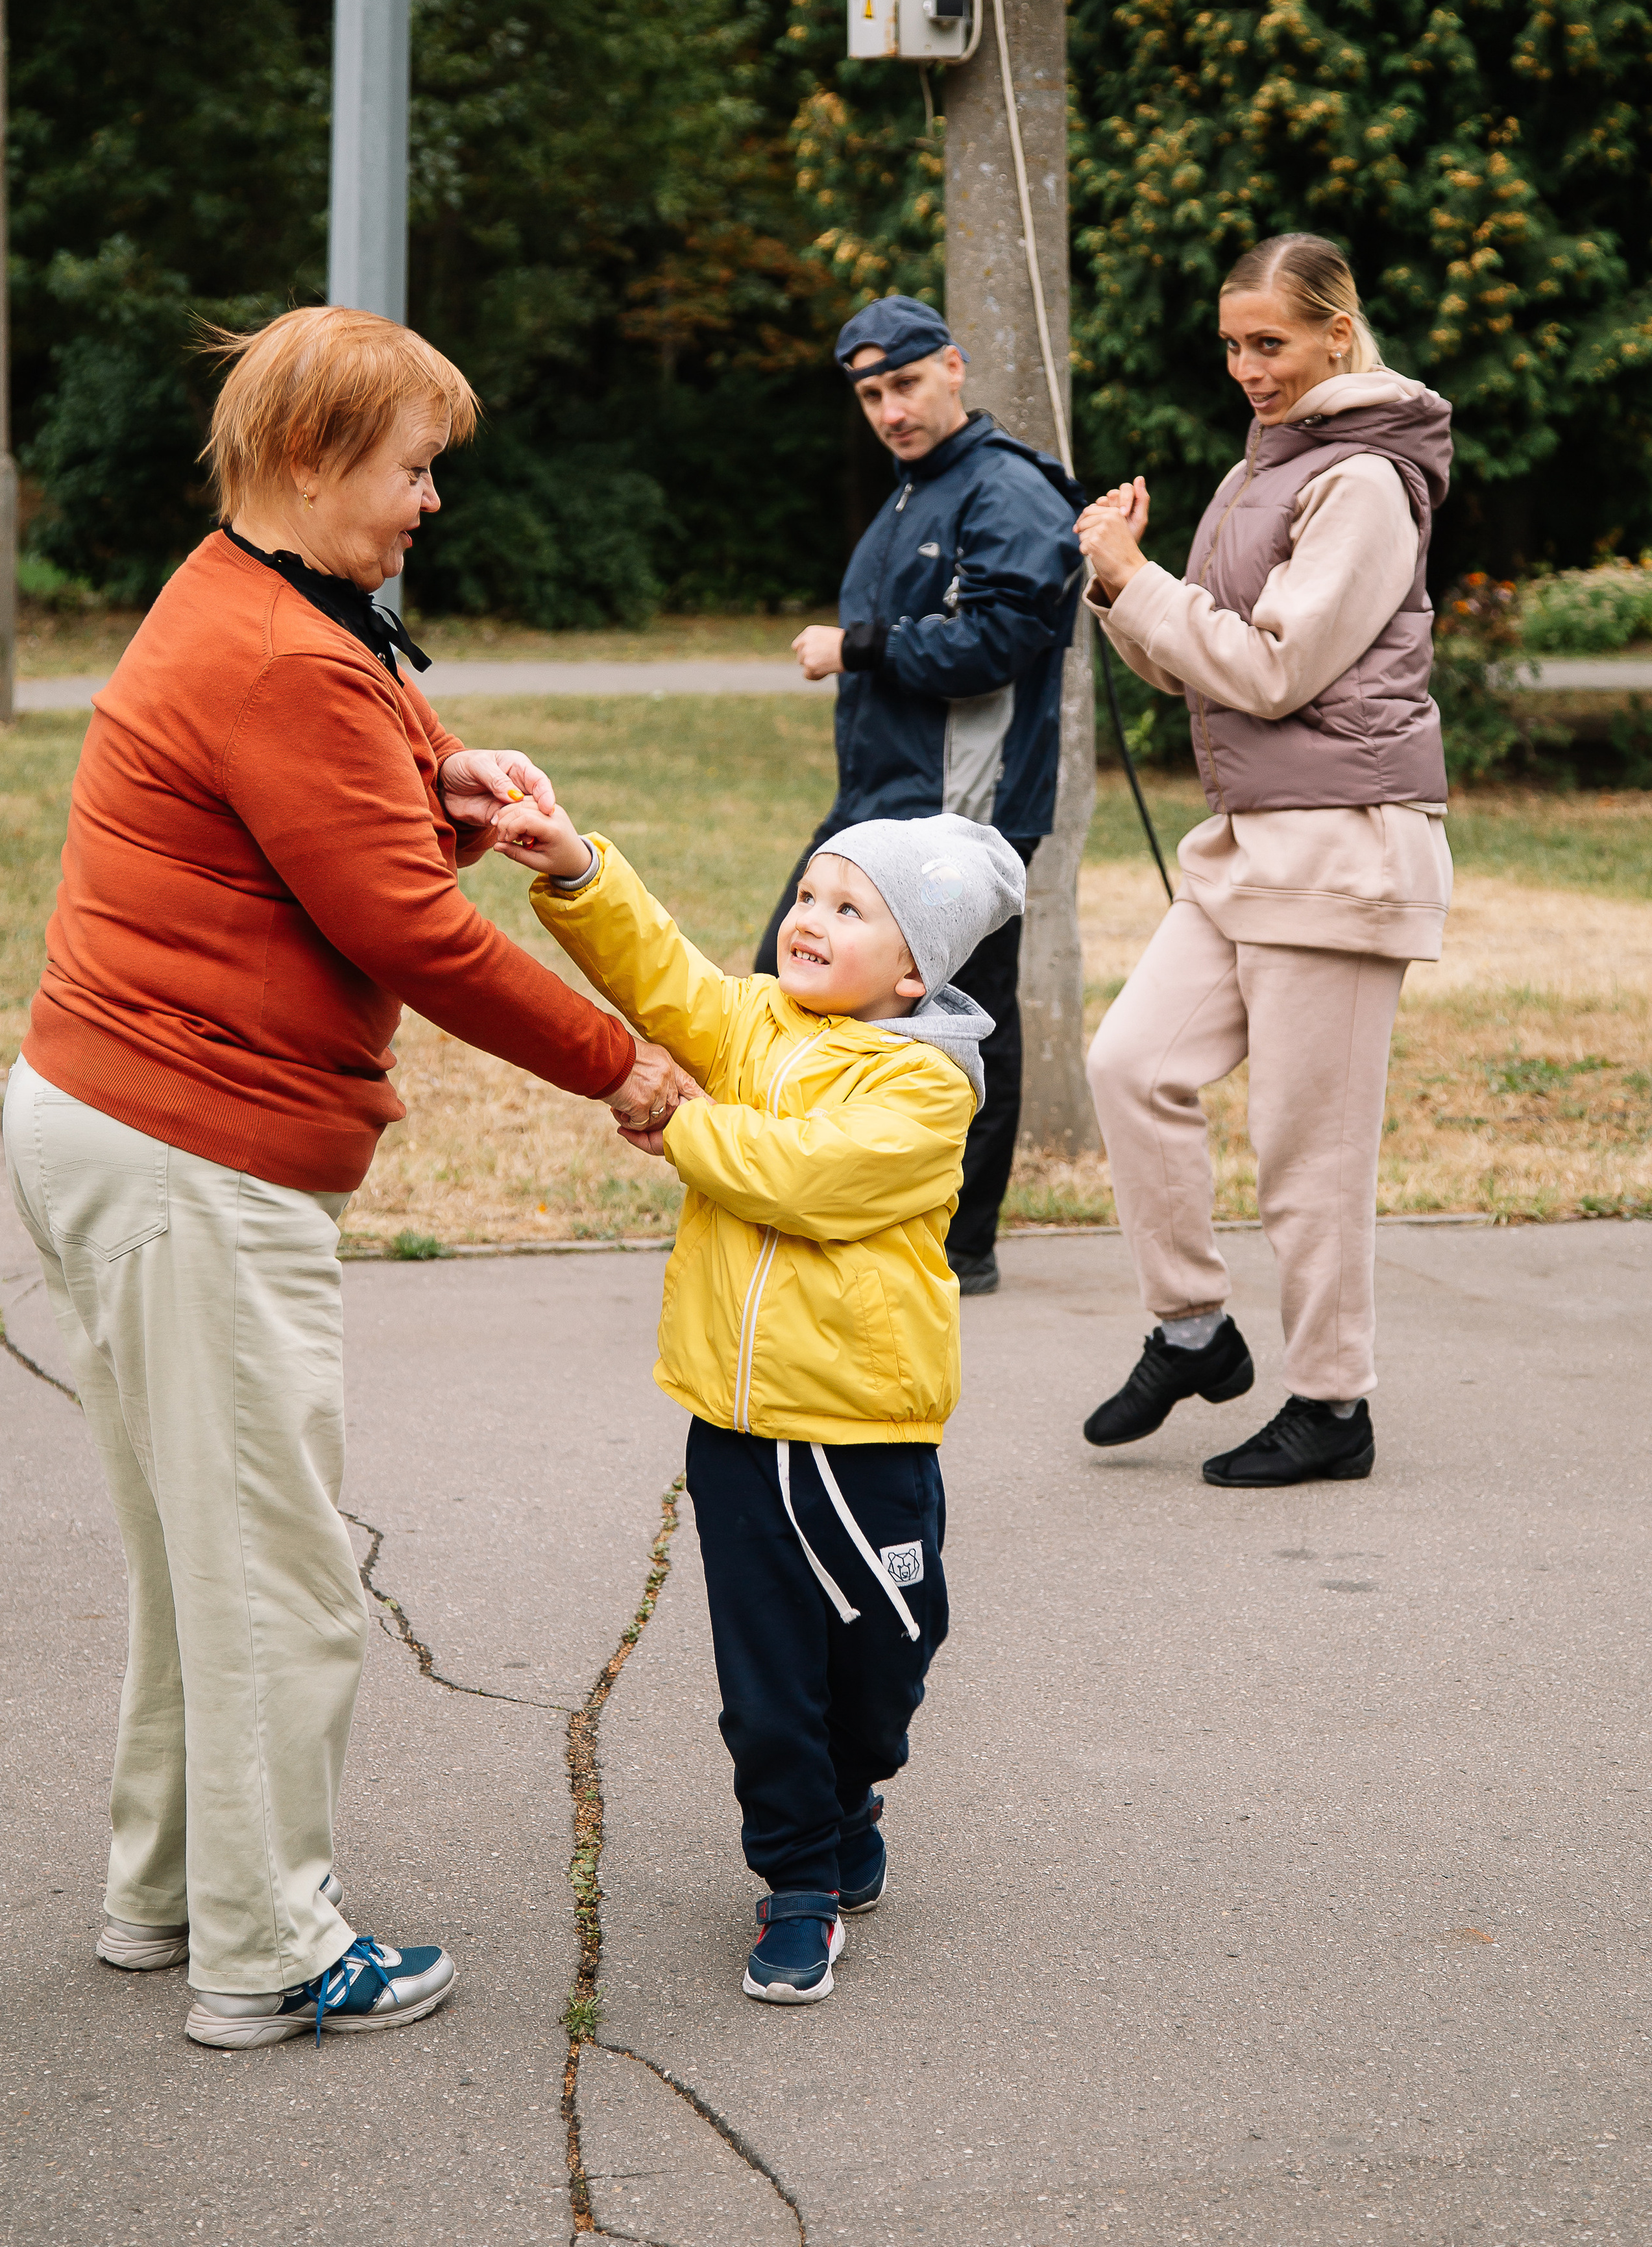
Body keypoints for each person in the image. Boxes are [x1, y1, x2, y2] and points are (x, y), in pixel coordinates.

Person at [1, 306, 693, 2050]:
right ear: (311, 461)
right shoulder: (285, 650)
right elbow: (406, 933)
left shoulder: (253, 595)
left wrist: (438, 791)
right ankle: (271, 1952)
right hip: (187, 1146)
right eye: (413, 467)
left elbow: (328, 832)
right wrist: (627, 1064)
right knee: (278, 1570)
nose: (431, 502)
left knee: (197, 1549)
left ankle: (169, 1897)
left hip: (123, 1118)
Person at [500, 792, 1025, 2002]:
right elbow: (665, 975)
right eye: (807, 894)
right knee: (766, 1676)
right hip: (735, 1430)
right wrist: (580, 868)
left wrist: (681, 1120)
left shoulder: (927, 1092)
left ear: (913, 973)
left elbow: (804, 1180)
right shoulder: (759, 1026)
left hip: (859, 1431)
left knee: (889, 1654)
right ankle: (796, 1877)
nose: (810, 918)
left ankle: (854, 1791)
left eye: (851, 909)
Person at [1076, 233, 1453, 1488]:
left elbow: (1277, 670)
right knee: (1131, 1065)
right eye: (1233, 344)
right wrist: (1115, 588)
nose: (1247, 365)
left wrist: (1148, 584)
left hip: (1343, 857)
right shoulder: (1268, 469)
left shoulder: (1365, 483)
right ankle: (1192, 1330)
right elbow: (1201, 655)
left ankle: (1334, 1407)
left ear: (1337, 335)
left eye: (1271, 343)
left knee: (1309, 1156)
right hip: (1249, 848)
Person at [755, 293, 1086, 1297]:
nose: (890, 409)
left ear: (954, 368)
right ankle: (864, 1211)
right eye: (870, 395)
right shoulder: (915, 490)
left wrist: (854, 646)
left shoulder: (1005, 490)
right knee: (801, 983)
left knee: (962, 1019)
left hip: (961, 815)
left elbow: (1001, 641)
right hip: (888, 802)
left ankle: (957, 1246)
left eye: (904, 384)